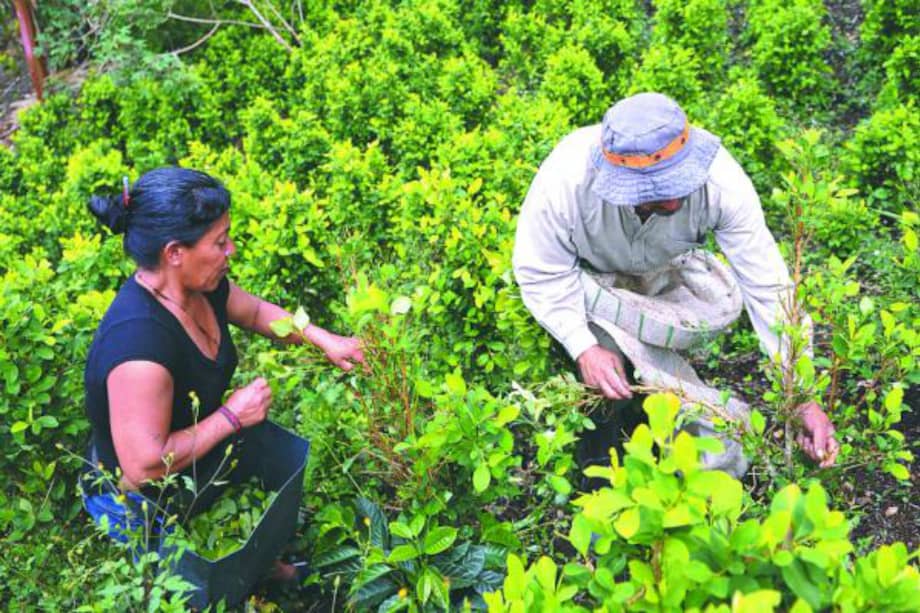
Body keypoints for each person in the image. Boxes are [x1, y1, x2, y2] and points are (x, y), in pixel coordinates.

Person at [512, 92, 838, 480]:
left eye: (678, 185)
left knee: (655, 365)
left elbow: (768, 286)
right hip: (588, 281)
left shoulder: (721, 183)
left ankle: (659, 419)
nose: (670, 203)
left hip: (665, 269)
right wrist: (583, 347)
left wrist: (800, 395)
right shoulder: (566, 181)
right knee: (604, 381)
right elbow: (541, 271)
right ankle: (600, 471)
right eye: (651, 194)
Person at [81, 167, 365, 581]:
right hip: (141, 498)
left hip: (194, 454)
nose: (231, 249)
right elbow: (143, 467)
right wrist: (232, 416)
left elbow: (256, 312)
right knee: (197, 585)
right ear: (174, 252)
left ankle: (264, 568)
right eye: (219, 242)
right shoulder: (139, 348)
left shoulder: (199, 284)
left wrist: (326, 340)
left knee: (239, 532)